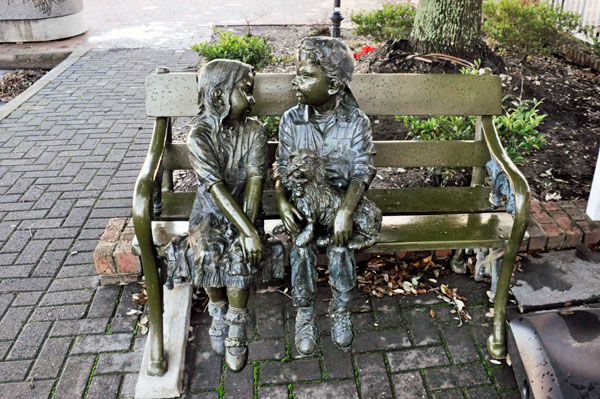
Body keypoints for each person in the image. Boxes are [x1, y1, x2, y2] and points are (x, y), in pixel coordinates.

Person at [165, 59, 281, 371]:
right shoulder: (199, 136)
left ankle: (238, 324)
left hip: (245, 208)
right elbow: (215, 190)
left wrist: (250, 229)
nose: (252, 100)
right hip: (209, 212)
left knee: (241, 254)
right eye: (246, 91)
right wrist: (248, 232)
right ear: (219, 96)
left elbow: (256, 182)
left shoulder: (255, 132)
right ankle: (218, 309)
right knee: (208, 252)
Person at [274, 37, 377, 356]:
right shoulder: (292, 120)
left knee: (339, 243)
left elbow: (364, 168)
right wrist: (281, 200)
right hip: (304, 208)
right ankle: (304, 313)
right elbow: (281, 164)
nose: (296, 81)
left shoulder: (356, 122)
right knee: (301, 247)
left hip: (340, 207)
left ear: (333, 85)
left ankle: (341, 309)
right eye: (297, 73)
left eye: (305, 76)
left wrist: (347, 210)